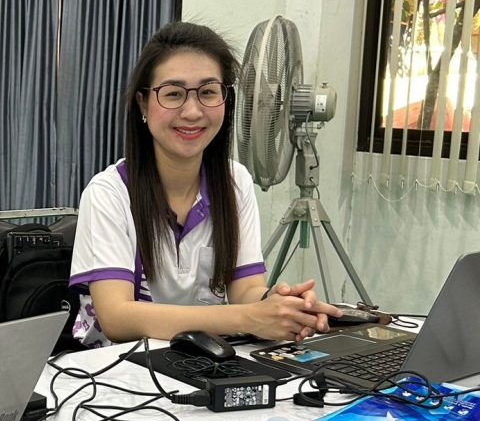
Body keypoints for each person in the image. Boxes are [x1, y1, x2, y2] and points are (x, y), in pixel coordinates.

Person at [69, 21, 340, 347]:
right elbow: (117, 318)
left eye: (208, 92)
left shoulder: (236, 183)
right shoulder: (109, 193)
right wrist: (249, 318)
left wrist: (280, 305)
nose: (193, 111)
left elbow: (245, 290)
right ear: (143, 104)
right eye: (173, 94)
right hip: (114, 366)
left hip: (200, 360)